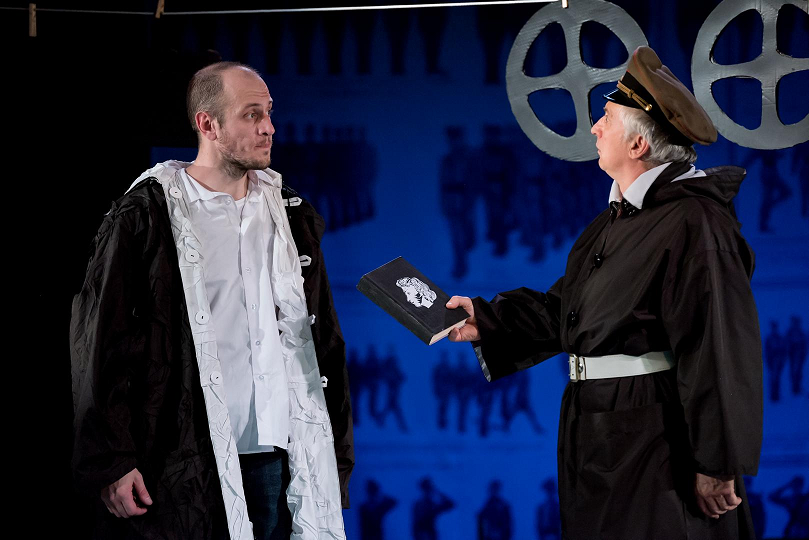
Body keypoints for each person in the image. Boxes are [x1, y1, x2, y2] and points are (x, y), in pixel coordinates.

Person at [447, 46, 762, 539]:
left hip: (654, 439)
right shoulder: (619, 218)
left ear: (637, 145)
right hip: (599, 430)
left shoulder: (695, 222)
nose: (594, 128)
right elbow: (571, 310)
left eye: (607, 118)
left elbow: (716, 344)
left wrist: (717, 462)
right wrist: (486, 319)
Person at [70, 62, 354, 540]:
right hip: (181, 459)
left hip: (279, 458)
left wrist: (334, 456)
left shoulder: (291, 215)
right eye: (251, 114)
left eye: (269, 112)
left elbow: (321, 338)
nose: (268, 127)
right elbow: (102, 341)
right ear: (208, 124)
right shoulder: (147, 214)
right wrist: (112, 458)